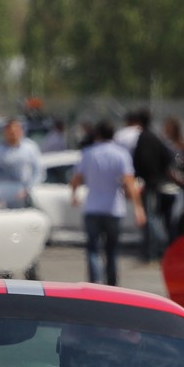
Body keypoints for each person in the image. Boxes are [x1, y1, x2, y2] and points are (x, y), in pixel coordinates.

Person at [71, 120, 146, 286]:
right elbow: (129, 182)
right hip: (113, 207)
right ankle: (112, 284)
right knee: (111, 250)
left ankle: (95, 280)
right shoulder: (121, 154)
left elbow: (76, 178)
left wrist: (74, 194)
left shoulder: (88, 153)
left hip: (92, 206)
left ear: (97, 134)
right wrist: (138, 208)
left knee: (93, 249)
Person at [129, 109, 175, 261]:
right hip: (157, 182)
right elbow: (168, 156)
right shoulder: (155, 137)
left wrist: (141, 175)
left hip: (150, 184)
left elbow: (138, 160)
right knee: (153, 217)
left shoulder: (143, 138)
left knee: (151, 218)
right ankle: (157, 249)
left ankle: (157, 249)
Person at [0, 117, 42, 203]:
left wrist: (28, 189)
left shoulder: (30, 148)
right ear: (5, 133)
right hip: (3, 189)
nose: (13, 134)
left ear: (21, 132)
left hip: (24, 189)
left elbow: (38, 171)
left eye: (15, 131)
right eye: (10, 132)